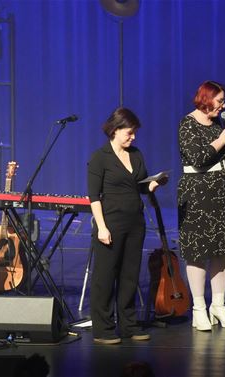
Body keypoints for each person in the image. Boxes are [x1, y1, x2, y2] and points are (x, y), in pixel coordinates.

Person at [87, 107, 167, 344]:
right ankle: (103, 328)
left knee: (129, 275)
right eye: (130, 133)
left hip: (135, 223)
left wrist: (153, 185)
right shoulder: (100, 158)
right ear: (115, 130)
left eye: (134, 133)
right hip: (110, 223)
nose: (133, 137)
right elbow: (94, 197)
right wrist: (101, 227)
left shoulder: (136, 154)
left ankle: (128, 325)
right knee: (105, 276)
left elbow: (140, 186)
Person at [177, 80, 225, 331]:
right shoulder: (187, 124)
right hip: (196, 194)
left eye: (224, 101)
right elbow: (199, 157)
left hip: (219, 192)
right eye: (220, 101)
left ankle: (219, 305)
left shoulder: (218, 125)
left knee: (220, 249)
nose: (223, 106)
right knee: (197, 251)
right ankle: (199, 308)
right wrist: (222, 140)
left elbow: (220, 159)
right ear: (206, 99)